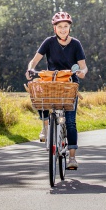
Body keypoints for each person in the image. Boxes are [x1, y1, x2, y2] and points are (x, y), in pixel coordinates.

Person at [26, 11, 88, 170]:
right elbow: (34, 60)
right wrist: (30, 69)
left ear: (69, 28)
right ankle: (46, 126)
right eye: (59, 27)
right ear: (55, 29)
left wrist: (82, 72)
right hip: (52, 82)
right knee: (39, 97)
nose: (63, 29)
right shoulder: (48, 42)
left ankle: (72, 158)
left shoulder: (76, 44)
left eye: (65, 26)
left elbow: (83, 66)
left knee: (70, 122)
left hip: (69, 84)